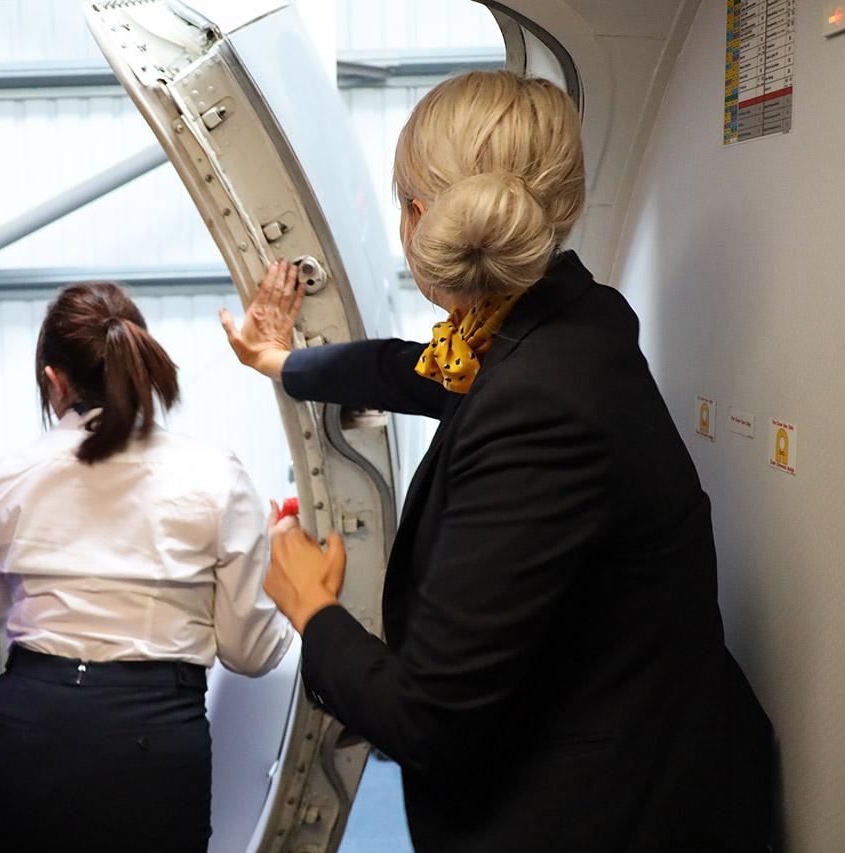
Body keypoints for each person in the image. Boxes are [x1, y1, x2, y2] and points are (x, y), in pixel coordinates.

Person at [220, 70, 774, 852]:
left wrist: (312, 608)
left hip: (596, 815)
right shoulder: (574, 321)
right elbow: (411, 368)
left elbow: (427, 716)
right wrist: (286, 363)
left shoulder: (540, 405)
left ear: (418, 218)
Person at [0, 281, 291, 852]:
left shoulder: (6, 477)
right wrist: (272, 562)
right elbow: (253, 653)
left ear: (54, 380)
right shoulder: (216, 476)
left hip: (25, 734)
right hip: (150, 743)